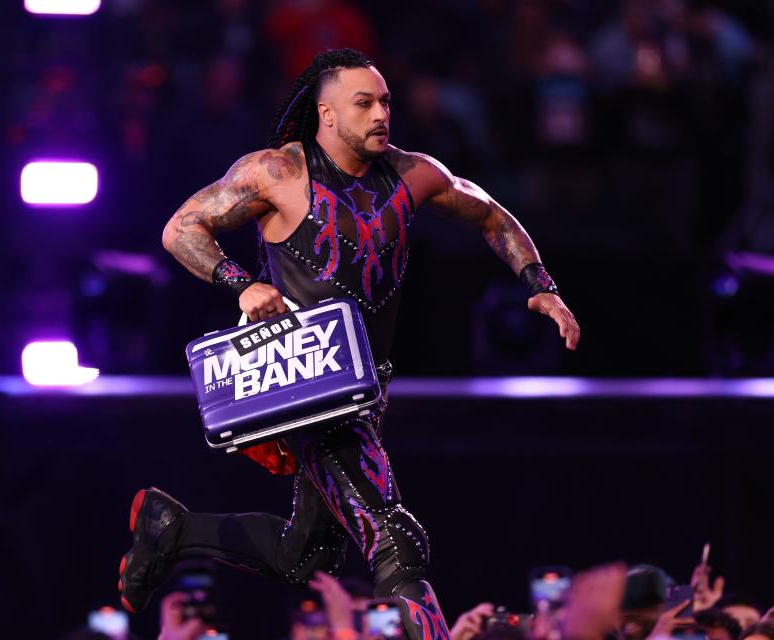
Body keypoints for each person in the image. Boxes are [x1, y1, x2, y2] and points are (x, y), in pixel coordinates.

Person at [117, 48, 580, 640]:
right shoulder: (279, 173)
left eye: (385, 101)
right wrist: (243, 284)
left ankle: (172, 529)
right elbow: (180, 228)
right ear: (327, 114)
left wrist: (540, 286)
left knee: (304, 555)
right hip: (307, 388)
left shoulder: (415, 175)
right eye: (365, 103)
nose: (382, 113)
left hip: (367, 393)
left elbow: (492, 215)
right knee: (396, 541)